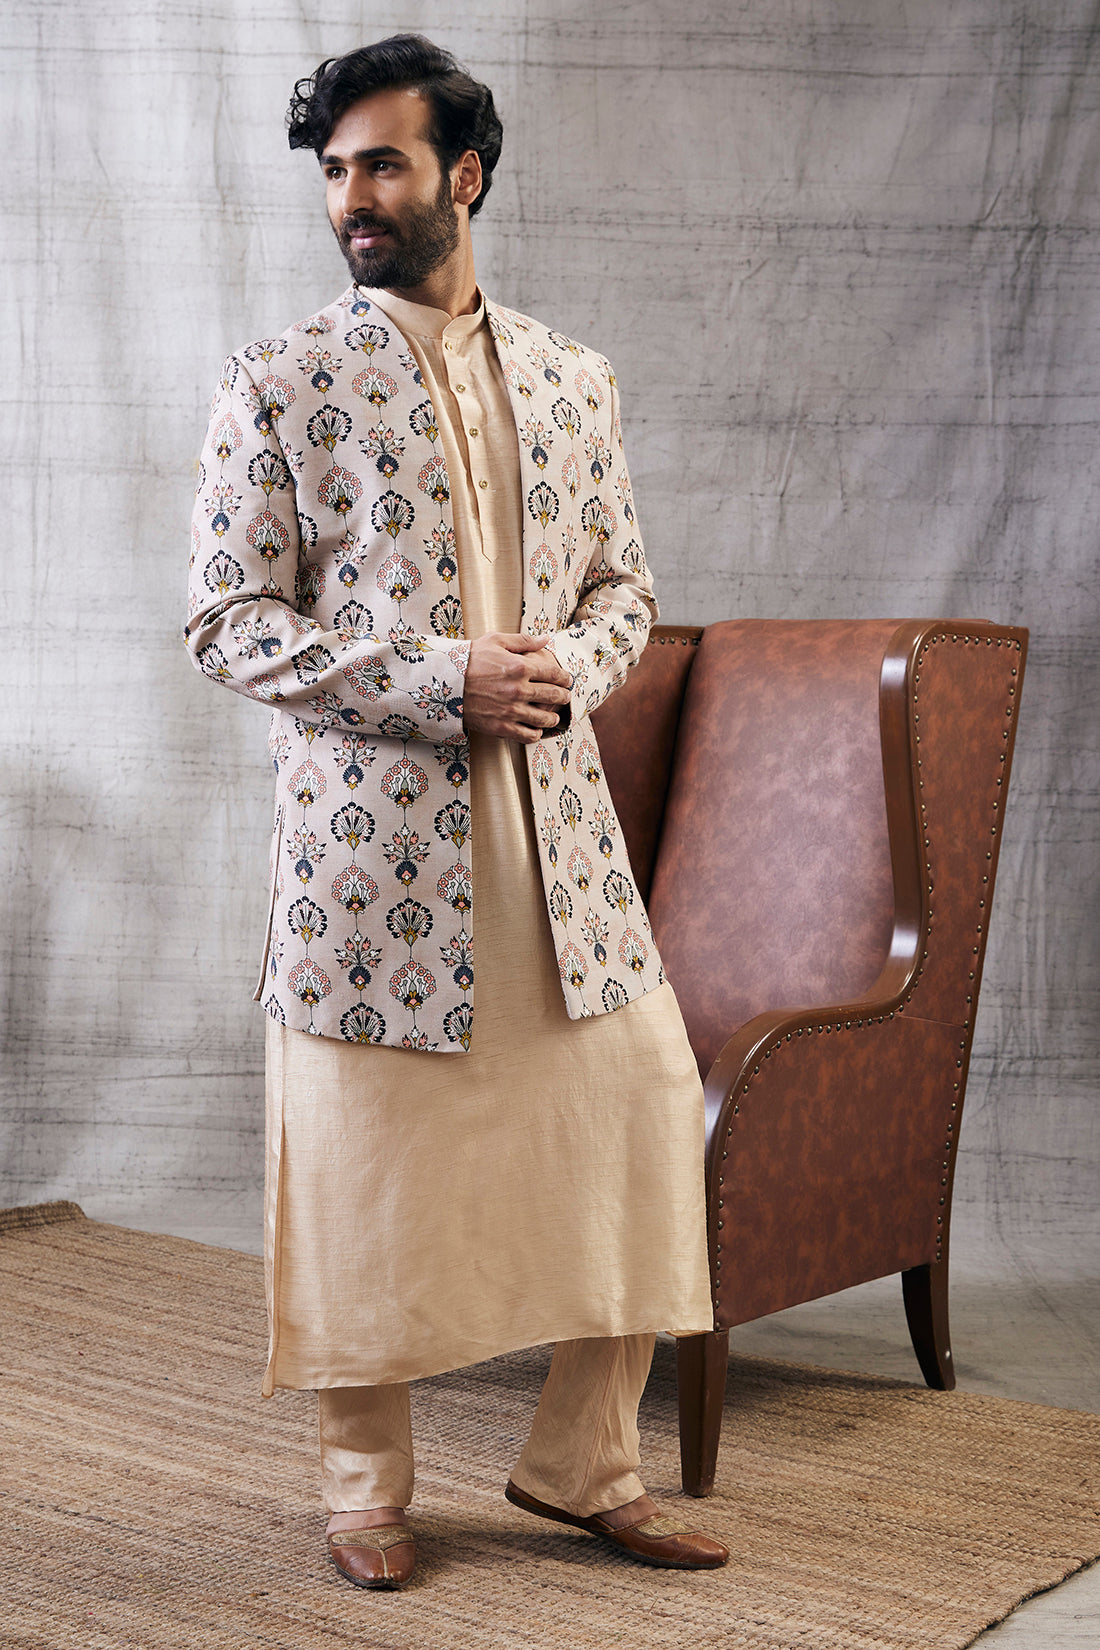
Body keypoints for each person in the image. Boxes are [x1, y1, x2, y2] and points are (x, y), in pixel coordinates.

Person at [185, 34, 726, 1590]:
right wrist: (442, 678)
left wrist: (568, 667)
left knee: (637, 1120)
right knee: (365, 1169)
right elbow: (227, 621)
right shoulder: (279, 380)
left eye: (384, 163)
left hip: (561, 849)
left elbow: (626, 590)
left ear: (464, 175)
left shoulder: (571, 378)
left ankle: (585, 1464)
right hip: (369, 863)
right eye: (335, 170)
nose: (351, 197)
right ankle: (365, 1489)